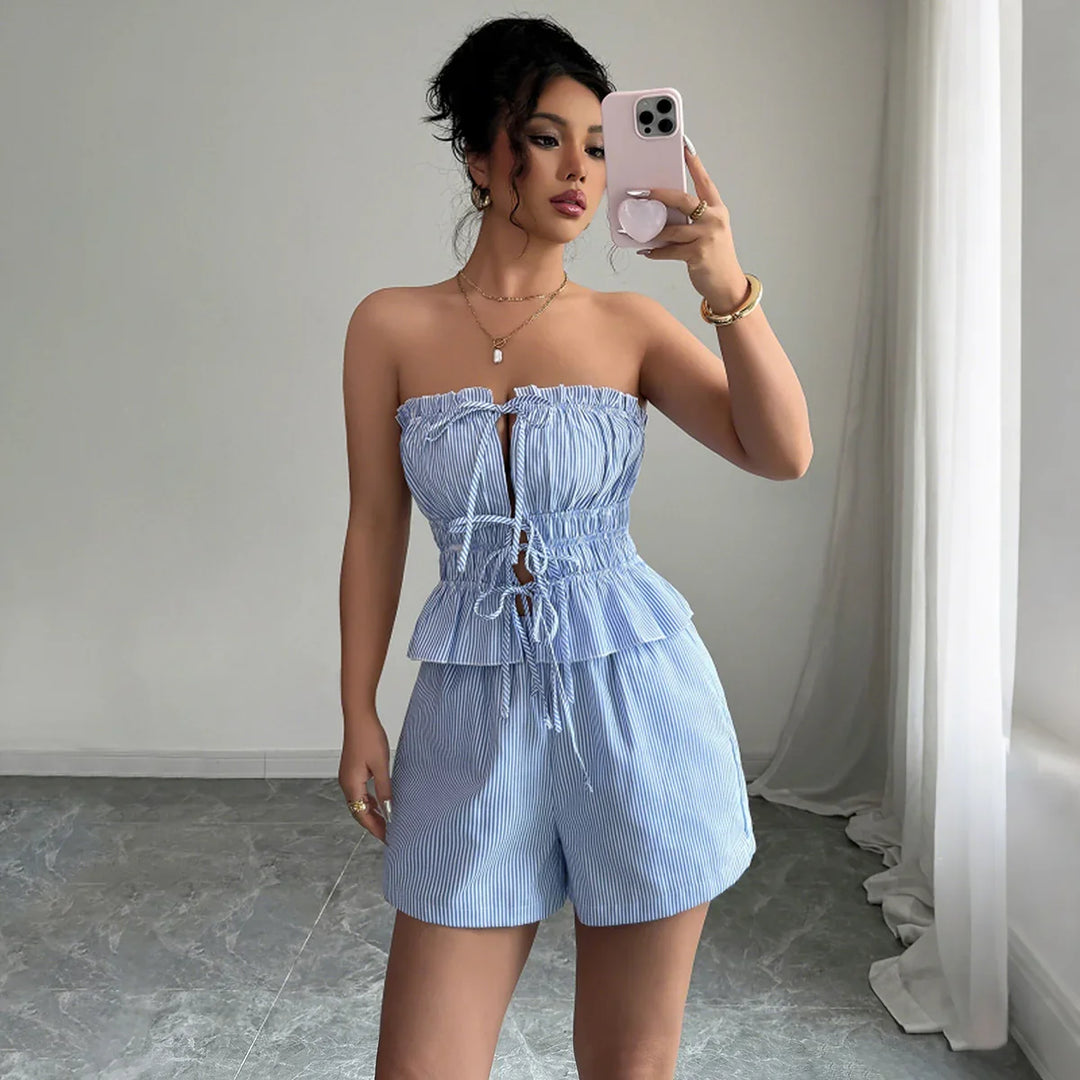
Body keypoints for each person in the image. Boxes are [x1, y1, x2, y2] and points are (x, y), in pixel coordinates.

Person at [338, 15, 812, 1080]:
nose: (580, 170)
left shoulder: (631, 326)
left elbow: (782, 451)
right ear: (479, 154)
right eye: (546, 138)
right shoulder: (388, 327)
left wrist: (726, 286)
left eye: (599, 146)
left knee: (627, 1065)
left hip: (637, 700)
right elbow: (375, 523)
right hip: (469, 714)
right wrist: (357, 704)